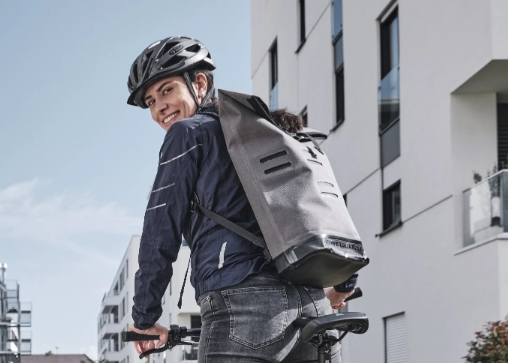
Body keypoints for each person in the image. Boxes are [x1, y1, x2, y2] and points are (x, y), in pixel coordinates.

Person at [126, 36, 356, 362]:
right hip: (315, 309)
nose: (159, 106)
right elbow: (325, 206)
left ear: (200, 83)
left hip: (242, 308)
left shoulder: (188, 134)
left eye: (166, 90)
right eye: (150, 101)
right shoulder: (269, 132)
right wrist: (343, 285)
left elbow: (159, 232)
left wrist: (145, 319)